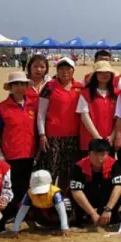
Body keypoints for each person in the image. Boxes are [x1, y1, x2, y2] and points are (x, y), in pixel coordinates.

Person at [0, 71, 37, 220]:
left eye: (22, 84)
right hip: (10, 153)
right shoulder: (1, 107)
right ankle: (10, 213)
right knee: (11, 185)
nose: (19, 87)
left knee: (26, 185)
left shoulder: (33, 105)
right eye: (16, 84)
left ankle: (24, 213)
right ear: (10, 87)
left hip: (30, 152)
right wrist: (0, 153)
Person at [37, 57, 83, 191]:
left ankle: (63, 198)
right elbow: (41, 113)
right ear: (57, 71)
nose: (65, 72)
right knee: (51, 170)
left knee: (68, 172)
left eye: (68, 69)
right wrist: (42, 135)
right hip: (53, 137)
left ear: (73, 70)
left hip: (73, 137)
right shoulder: (49, 87)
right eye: (61, 69)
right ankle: (48, 199)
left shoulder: (80, 87)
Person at [69, 139, 121, 228]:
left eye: (103, 154)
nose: (99, 158)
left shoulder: (114, 165)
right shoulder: (79, 167)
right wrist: (92, 213)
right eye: (95, 154)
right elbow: (76, 191)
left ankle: (114, 215)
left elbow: (119, 187)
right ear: (89, 153)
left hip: (106, 199)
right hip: (89, 198)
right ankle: (82, 216)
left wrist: (108, 209)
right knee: (71, 190)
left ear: (108, 154)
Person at [9, 169, 70, 235]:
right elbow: (22, 211)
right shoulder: (29, 193)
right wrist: (15, 229)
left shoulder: (55, 193)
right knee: (21, 205)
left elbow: (61, 211)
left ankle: (60, 227)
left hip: (54, 218)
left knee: (66, 203)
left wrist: (64, 226)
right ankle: (33, 227)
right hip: (41, 217)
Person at [77, 60, 119, 153]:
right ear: (95, 75)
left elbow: (119, 117)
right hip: (90, 140)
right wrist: (97, 136)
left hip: (109, 140)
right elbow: (84, 116)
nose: (104, 75)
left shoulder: (117, 93)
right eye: (100, 72)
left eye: (107, 72)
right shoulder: (85, 93)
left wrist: (112, 136)